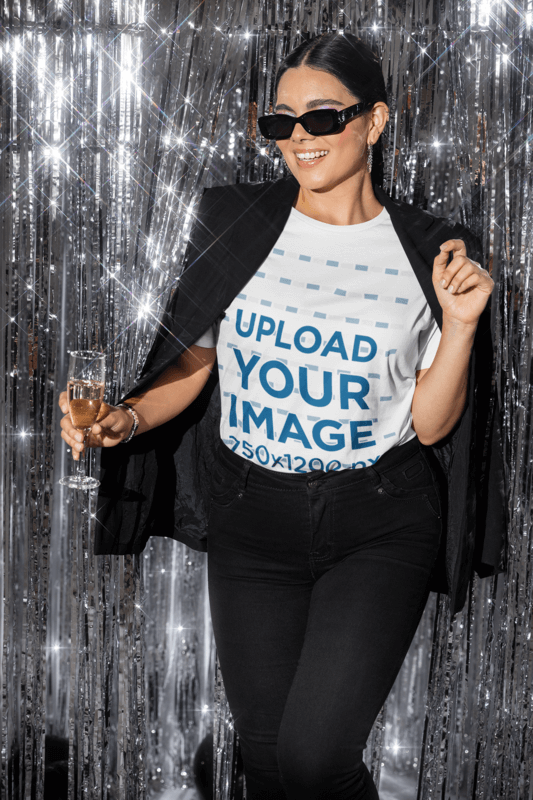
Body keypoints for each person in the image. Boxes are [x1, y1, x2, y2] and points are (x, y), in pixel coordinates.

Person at [59, 33, 506, 800]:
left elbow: (431, 427)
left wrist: (460, 327)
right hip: (250, 516)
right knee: (265, 762)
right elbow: (194, 364)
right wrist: (123, 422)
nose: (299, 138)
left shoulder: (429, 249)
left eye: (323, 117)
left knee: (312, 760)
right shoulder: (233, 221)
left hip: (378, 518)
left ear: (374, 121)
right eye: (279, 122)